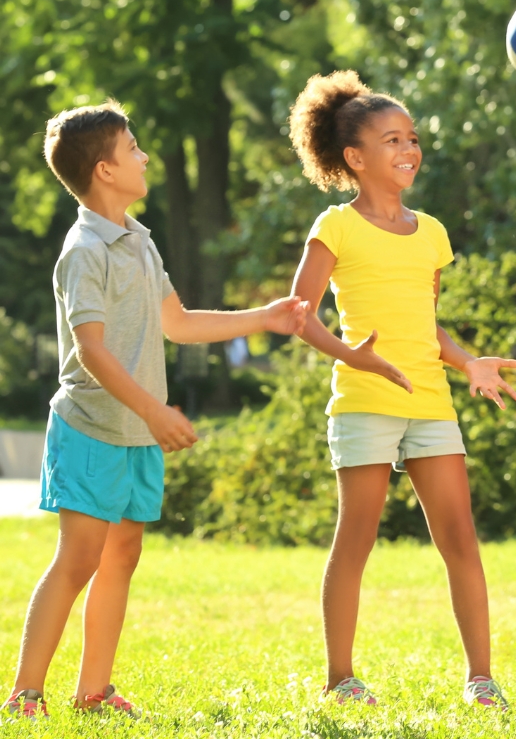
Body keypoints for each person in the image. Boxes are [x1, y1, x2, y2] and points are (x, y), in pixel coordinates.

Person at [3, 102, 307, 721]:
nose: (144, 156)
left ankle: (93, 691)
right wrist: (156, 410)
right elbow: (90, 351)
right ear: (105, 170)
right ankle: (24, 695)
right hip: (91, 428)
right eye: (133, 148)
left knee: (123, 555)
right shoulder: (84, 249)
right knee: (79, 558)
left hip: (136, 432)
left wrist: (265, 317)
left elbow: (179, 322)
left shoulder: (137, 237)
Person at [287, 71, 516, 711]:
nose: (408, 151)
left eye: (412, 138)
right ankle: (341, 678)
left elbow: (428, 324)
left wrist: (468, 362)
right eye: (392, 140)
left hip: (429, 400)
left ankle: (481, 678)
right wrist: (353, 357)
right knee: (356, 537)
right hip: (364, 400)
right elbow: (299, 315)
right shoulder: (334, 227)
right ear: (356, 159)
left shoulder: (433, 233)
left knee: (460, 537)